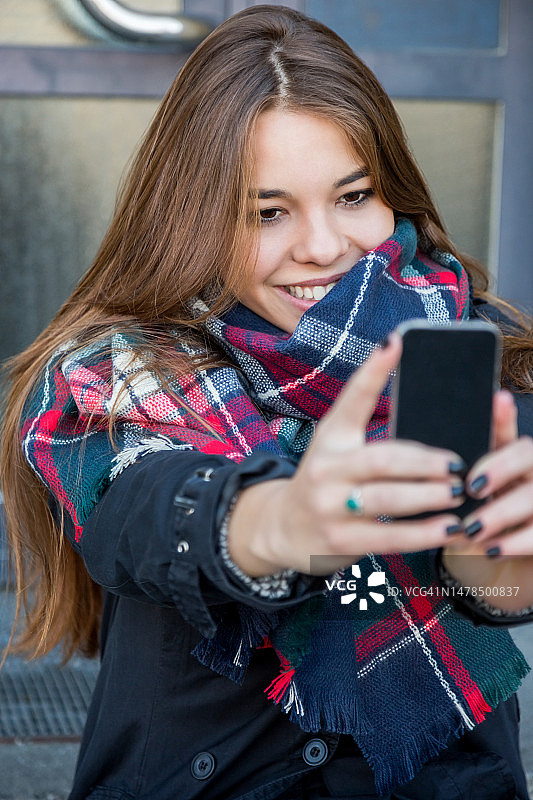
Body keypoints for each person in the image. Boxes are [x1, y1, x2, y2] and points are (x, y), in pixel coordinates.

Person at [2, 5, 533, 799]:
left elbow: (495, 590)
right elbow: (140, 512)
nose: (322, 246)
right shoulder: (116, 375)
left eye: (353, 196)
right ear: (194, 217)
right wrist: (284, 522)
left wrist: (496, 561)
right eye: (267, 212)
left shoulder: (470, 347)